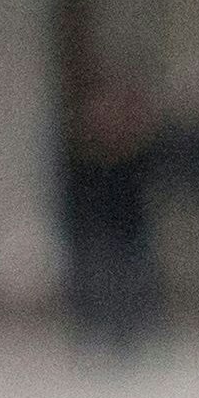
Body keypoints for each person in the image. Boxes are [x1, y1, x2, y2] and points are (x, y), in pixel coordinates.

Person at [61, 74, 162, 353]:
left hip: (128, 226)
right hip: (101, 227)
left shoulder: (134, 150)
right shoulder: (88, 153)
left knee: (130, 278)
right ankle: (97, 328)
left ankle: (129, 331)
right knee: (102, 278)